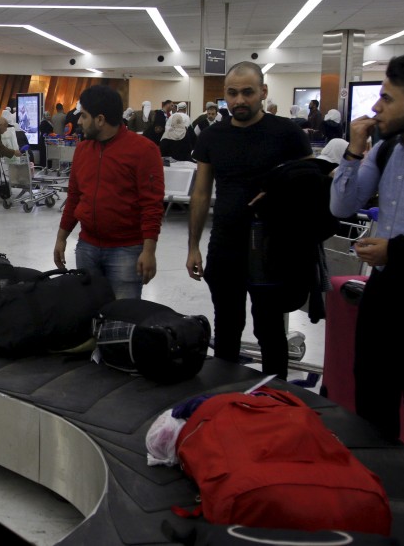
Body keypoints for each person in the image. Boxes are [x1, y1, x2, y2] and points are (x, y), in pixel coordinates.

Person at [330, 53, 404, 467]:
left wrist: (394, 250)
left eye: (386, 98)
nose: (376, 108)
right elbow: (342, 206)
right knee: (373, 394)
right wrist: (354, 150)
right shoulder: (385, 151)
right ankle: (378, 481)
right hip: (383, 293)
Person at [186, 61, 312, 379]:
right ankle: (226, 398)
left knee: (269, 328)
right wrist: (193, 246)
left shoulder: (287, 133)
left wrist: (279, 194)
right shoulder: (212, 137)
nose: (239, 100)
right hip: (225, 244)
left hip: (271, 247)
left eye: (247, 92)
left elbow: (312, 183)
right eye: (232, 93)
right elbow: (201, 194)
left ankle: (275, 397)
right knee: (227, 326)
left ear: (262, 92)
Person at [54, 85, 164, 299]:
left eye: (84, 116)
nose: (79, 122)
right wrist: (61, 238)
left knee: (121, 319)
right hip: (87, 246)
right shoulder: (83, 150)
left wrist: (149, 251)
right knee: (87, 312)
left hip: (126, 250)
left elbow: (152, 205)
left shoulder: (144, 151)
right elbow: (75, 197)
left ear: (100, 119)